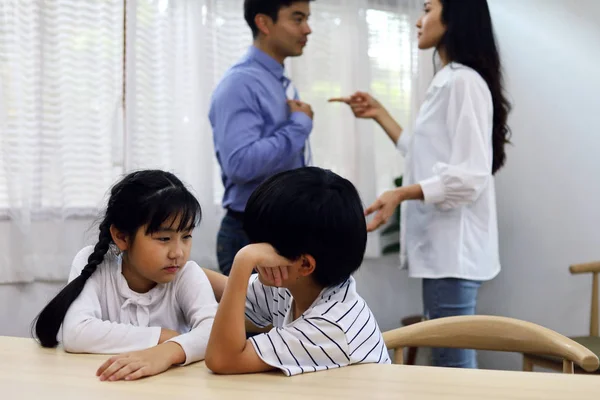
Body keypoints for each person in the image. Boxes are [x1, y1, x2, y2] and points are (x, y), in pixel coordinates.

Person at [330, 0, 511, 368]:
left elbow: (470, 176)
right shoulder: (450, 79)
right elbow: (422, 154)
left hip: (452, 253)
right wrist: (379, 113)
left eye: (427, 9)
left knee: (453, 362)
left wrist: (400, 193)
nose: (418, 21)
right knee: (450, 358)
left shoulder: (462, 81)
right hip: (444, 253)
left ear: (453, 16)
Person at [32, 170, 218, 381]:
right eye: (164, 238)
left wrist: (168, 351)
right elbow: (76, 334)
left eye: (186, 236)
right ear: (121, 237)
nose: (178, 252)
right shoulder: (94, 263)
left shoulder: (187, 274)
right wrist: (163, 337)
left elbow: (214, 333)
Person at [203, 167, 390, 376]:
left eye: (261, 246)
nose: (255, 250)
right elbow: (227, 292)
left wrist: (243, 260)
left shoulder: (331, 326)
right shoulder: (294, 285)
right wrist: (178, 269)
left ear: (304, 265)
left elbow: (222, 359)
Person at [209, 0, 314, 276]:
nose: (308, 29)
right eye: (297, 19)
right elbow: (240, 164)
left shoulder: (277, 81)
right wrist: (300, 126)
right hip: (251, 233)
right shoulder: (241, 83)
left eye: (307, 19)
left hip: (281, 229)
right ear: (264, 23)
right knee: (257, 321)